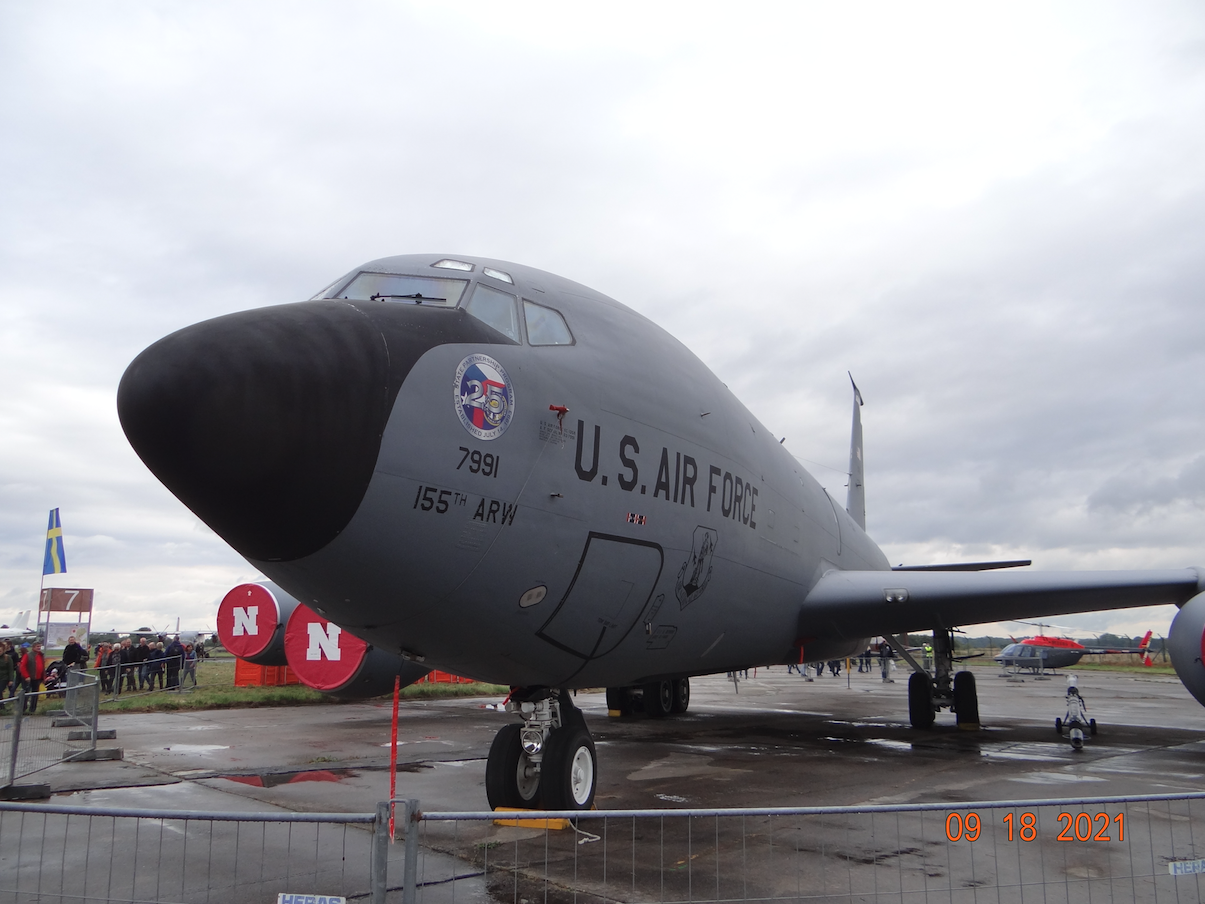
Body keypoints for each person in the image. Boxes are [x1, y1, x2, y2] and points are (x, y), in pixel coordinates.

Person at [19, 641, 46, 713]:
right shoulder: (28, 655)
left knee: (35, 694)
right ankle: (23, 709)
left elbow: (42, 667)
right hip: (28, 678)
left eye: (40, 646)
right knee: (26, 693)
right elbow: (22, 666)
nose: (39, 648)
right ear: (33, 647)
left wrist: (43, 677)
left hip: (37, 678)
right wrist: (26, 676)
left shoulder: (41, 655)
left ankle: (32, 709)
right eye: (37, 646)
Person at [0, 641, 13, 710]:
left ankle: (2, 707)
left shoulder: (7, 658)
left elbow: (10, 669)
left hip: (4, 678)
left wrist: (11, 680)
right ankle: (2, 707)